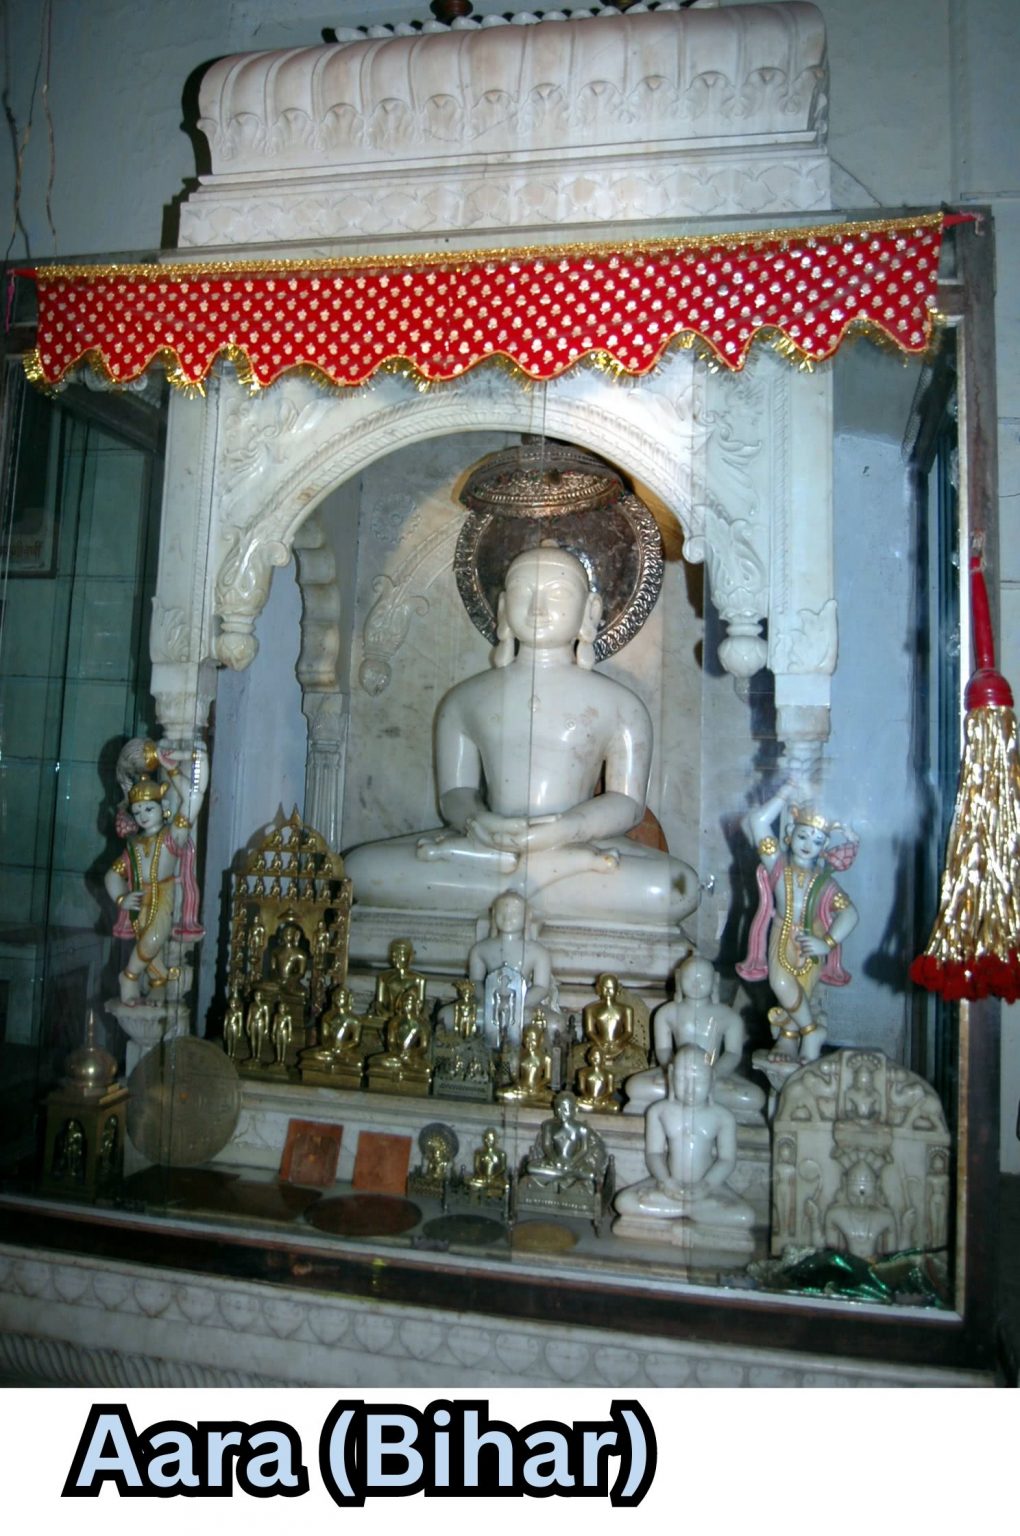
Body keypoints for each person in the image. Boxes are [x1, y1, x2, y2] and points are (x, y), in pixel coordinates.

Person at [345, 545, 698, 929]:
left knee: (675, 888)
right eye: (522, 592)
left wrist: (566, 829)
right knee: (360, 869)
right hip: (485, 848)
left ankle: (523, 881)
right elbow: (455, 794)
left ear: (590, 611)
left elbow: (627, 802)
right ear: (502, 608)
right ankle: (530, 883)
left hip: (574, 849)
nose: (537, 608)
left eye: (557, 594)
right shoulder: (464, 700)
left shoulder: (620, 705)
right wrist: (478, 822)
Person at [738, 783, 859, 1062]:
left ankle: (789, 1040)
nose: (807, 845)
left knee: (802, 989)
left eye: (816, 841)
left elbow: (850, 914)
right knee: (780, 983)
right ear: (790, 834)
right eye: (803, 836)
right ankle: (812, 1031)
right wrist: (785, 790)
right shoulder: (778, 866)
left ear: (824, 846)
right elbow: (758, 822)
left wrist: (827, 942)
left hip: (812, 936)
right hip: (782, 930)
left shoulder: (824, 883)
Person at [104, 744, 209, 1004]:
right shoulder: (134, 845)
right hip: (139, 898)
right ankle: (158, 981)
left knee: (154, 937)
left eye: (148, 809)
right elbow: (112, 875)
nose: (142, 816)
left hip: (164, 893)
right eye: (137, 811)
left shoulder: (172, 836)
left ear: (163, 808)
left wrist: (173, 770)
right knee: (149, 942)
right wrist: (121, 898)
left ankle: (129, 976)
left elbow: (195, 797)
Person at [615, 1046, 753, 1228]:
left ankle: (683, 1208)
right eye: (682, 1079)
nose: (690, 1088)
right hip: (668, 1185)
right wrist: (666, 1181)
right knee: (624, 1202)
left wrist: (707, 1185)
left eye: (699, 1080)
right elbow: (654, 1154)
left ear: (712, 1078)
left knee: (745, 1216)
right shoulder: (659, 1111)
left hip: (708, 1187)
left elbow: (726, 1160)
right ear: (671, 1075)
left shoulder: (723, 1117)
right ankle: (693, 1209)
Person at [624, 955, 764, 1117]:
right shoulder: (667, 1012)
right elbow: (663, 1050)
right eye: (689, 978)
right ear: (678, 978)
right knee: (634, 1087)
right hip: (677, 1075)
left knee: (755, 1097)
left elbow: (732, 1054)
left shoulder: (728, 1016)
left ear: (715, 980)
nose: (696, 984)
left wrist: (714, 1074)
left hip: (714, 1075)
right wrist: (675, 1072)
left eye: (703, 979)